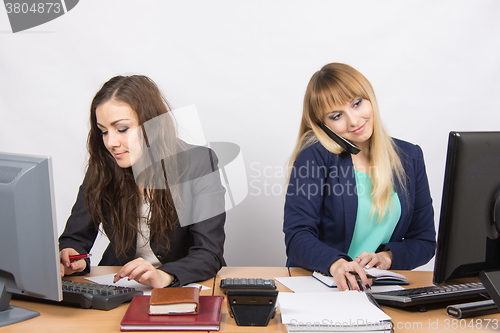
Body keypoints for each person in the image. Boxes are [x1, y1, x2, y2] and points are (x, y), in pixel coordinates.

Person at [59, 75, 226, 288]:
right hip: (119, 284)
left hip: (182, 284)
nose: (111, 142)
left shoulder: (199, 163)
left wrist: (163, 276)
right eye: (103, 131)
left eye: (121, 129)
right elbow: (74, 238)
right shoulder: (102, 165)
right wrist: (73, 256)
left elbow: (208, 252)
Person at [283, 63, 436, 291]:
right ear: (322, 125)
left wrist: (388, 257)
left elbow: (424, 240)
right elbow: (297, 236)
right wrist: (335, 264)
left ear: (370, 98)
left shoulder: (409, 157)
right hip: (322, 286)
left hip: (378, 287)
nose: (354, 120)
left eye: (357, 103)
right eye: (337, 116)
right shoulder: (314, 157)